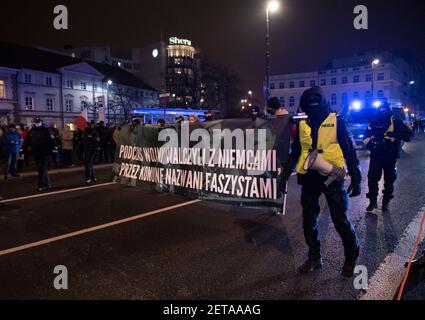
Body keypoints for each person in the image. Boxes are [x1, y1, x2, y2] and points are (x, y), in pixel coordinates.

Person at [286, 86, 362, 277]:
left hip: (332, 176)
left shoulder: (337, 122)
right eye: (308, 101)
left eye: (315, 100)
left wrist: (356, 175)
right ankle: (314, 257)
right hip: (309, 177)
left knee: (339, 220)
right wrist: (284, 174)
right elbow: (295, 152)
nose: (312, 103)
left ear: (323, 100)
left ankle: (351, 256)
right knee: (309, 221)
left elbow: (349, 151)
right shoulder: (303, 124)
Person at [364, 103, 414, 212]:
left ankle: (386, 202)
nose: (382, 111)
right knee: (372, 179)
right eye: (380, 109)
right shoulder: (373, 122)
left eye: (384, 109)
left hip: (390, 156)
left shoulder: (396, 122)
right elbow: (366, 136)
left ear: (388, 110)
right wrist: (370, 144)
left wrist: (396, 134)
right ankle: (372, 201)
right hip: (376, 155)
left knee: (389, 180)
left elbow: (409, 136)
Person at [27, 118, 55, 191]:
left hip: (45, 153)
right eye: (36, 122)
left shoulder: (46, 130)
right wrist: (26, 149)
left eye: (38, 122)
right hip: (36, 153)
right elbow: (27, 141)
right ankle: (47, 184)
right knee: (42, 169)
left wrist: (50, 151)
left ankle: (41, 185)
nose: (37, 123)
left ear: (41, 122)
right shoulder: (32, 131)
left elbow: (52, 141)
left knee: (41, 169)